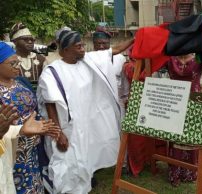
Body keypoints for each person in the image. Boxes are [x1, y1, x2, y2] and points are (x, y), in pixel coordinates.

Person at [37, 30, 134, 194]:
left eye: (83, 45)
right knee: (66, 165)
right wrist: (58, 133)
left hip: (86, 126)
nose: (83, 49)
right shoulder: (52, 71)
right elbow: (50, 104)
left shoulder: (88, 60)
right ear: (66, 49)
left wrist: (135, 39)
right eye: (79, 46)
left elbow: (115, 49)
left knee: (85, 162)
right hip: (67, 129)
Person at [0, 42, 60, 194]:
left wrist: (42, 126)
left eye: (18, 62)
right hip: (9, 152)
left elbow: (33, 109)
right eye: (12, 63)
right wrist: (20, 130)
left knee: (32, 185)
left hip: (31, 150)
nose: (17, 67)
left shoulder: (21, 82)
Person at [166, 54, 202, 186]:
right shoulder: (169, 58)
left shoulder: (200, 57)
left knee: (191, 137)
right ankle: (176, 173)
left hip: (193, 101)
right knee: (175, 137)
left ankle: (188, 173)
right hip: (175, 101)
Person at [93, 28, 130, 119]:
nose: (101, 47)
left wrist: (126, 98)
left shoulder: (120, 58)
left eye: (104, 43)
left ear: (109, 43)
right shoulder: (90, 60)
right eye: (98, 44)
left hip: (118, 101)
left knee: (119, 129)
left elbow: (124, 80)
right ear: (94, 45)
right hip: (98, 104)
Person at [10, 22, 47, 90]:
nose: (30, 42)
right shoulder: (8, 60)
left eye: (32, 40)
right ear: (15, 42)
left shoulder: (41, 59)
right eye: (25, 39)